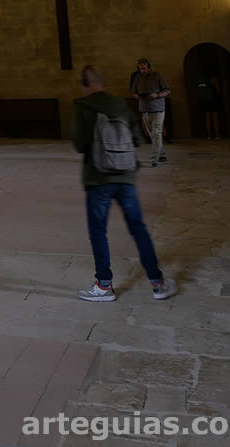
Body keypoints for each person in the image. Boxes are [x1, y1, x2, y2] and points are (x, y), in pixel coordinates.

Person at [73, 65, 176, 302]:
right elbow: (138, 139)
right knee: (138, 228)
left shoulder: (83, 106)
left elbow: (79, 144)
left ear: (86, 85)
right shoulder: (120, 104)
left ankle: (104, 286)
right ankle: (157, 283)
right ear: (104, 83)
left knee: (98, 231)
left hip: (97, 178)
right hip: (125, 176)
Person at [129, 57, 170, 166]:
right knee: (152, 134)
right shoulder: (137, 78)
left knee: (156, 133)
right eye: (140, 69)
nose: (142, 71)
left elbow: (167, 90)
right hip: (144, 109)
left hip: (157, 108)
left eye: (144, 68)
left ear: (149, 67)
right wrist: (136, 96)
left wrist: (157, 95)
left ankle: (155, 158)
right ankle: (162, 155)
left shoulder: (157, 75)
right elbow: (133, 91)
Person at [197, 73, 222, 139]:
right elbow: (218, 90)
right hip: (213, 100)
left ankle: (209, 135)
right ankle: (217, 135)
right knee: (215, 118)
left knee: (208, 118)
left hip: (206, 100)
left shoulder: (203, 79)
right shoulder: (214, 79)